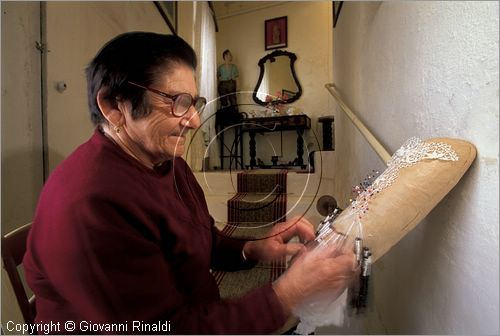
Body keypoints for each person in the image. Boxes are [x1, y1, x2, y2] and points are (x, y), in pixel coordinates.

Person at [23, 32, 356, 334]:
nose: (195, 120)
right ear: (113, 106)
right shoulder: (93, 203)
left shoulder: (170, 166)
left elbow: (200, 241)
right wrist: (289, 292)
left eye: (194, 103)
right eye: (176, 102)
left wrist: (251, 248)